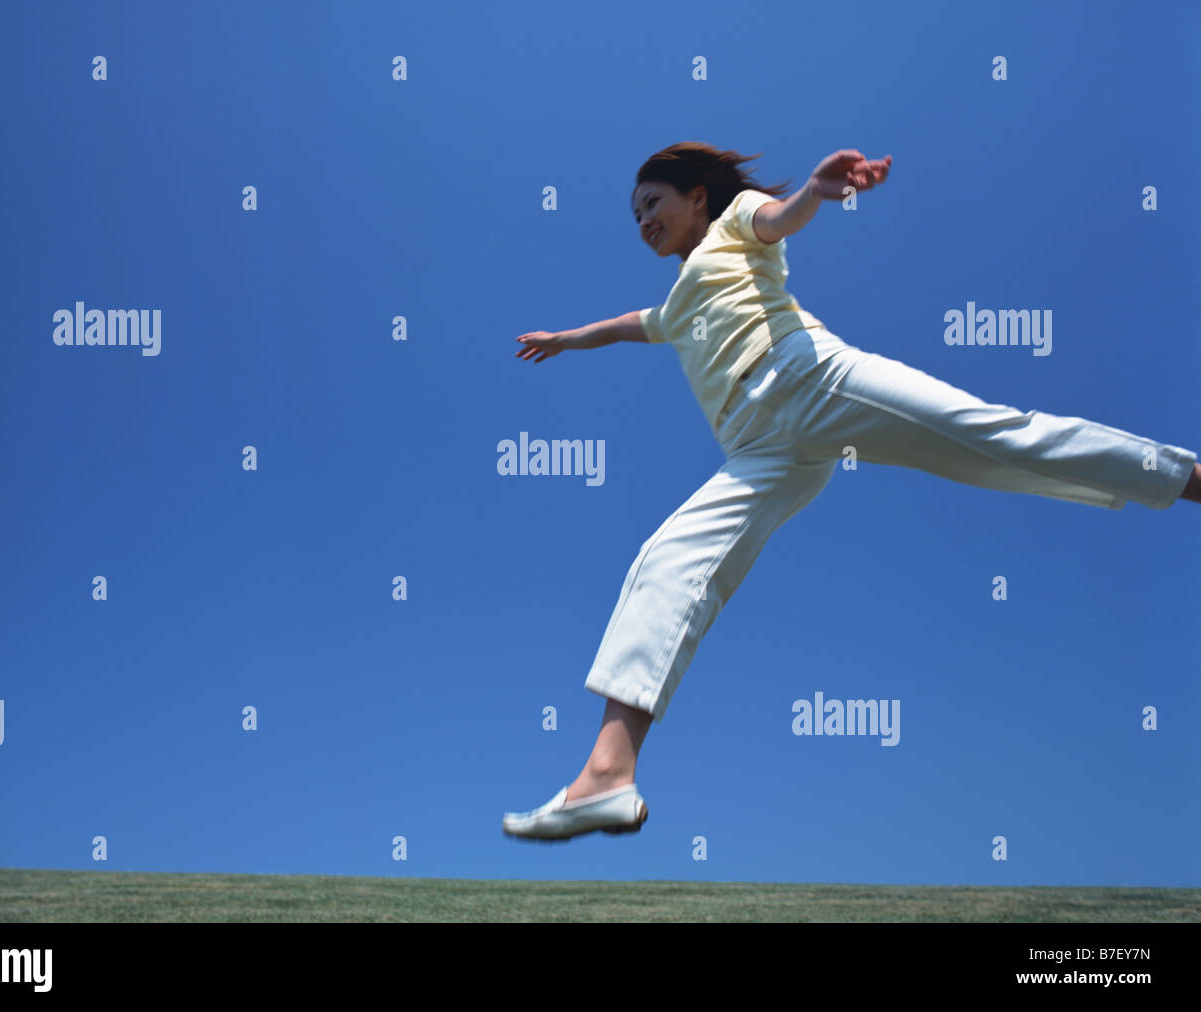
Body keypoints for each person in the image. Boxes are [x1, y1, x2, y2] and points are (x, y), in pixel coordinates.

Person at [502, 142, 1201, 842]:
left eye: (651, 203)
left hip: (810, 379)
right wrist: (566, 338)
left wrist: (813, 190)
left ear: (696, 198)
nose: (643, 220)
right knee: (667, 560)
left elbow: (778, 219)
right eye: (634, 216)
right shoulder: (677, 301)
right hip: (759, 451)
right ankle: (605, 776)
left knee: (994, 436)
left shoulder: (737, 221)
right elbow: (632, 326)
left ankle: (1182, 477)